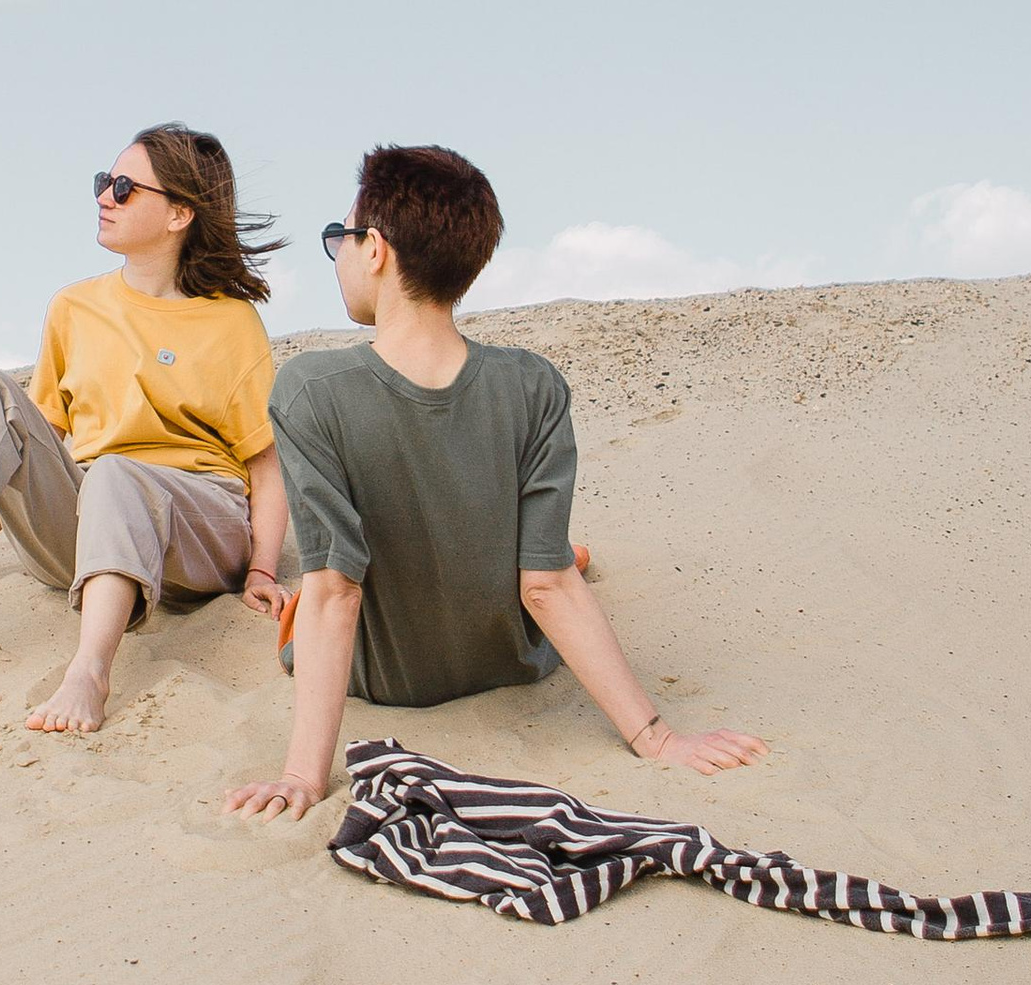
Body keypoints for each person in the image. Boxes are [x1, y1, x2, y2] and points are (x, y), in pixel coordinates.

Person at [225, 143, 765, 820]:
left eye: (342, 236)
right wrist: (656, 738)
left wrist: (303, 777)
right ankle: (575, 551)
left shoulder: (310, 389)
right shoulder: (532, 383)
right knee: (555, 558)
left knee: (307, 595)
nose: (338, 252)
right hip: (509, 659)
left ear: (376, 251)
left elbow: (337, 590)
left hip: (384, 680)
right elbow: (545, 585)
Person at [0, 126, 289, 737]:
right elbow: (22, 447)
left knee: (118, 473)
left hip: (197, 527)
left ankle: (90, 673)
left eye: (124, 187)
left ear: (180, 212)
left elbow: (266, 467)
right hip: (89, 524)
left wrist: (262, 571)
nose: (105, 196)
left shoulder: (232, 323)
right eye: (104, 182)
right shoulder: (74, 307)